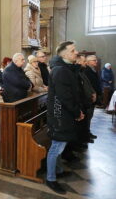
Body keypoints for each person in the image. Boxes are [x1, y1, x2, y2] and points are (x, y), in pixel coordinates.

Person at [46, 41, 84, 194]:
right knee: (56, 147)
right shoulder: (60, 70)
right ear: (65, 54)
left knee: (60, 145)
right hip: (59, 115)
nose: (76, 52)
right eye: (73, 50)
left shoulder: (65, 68)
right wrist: (76, 112)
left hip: (63, 114)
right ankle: (50, 178)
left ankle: (59, 170)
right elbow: (64, 97)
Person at [84, 55, 101, 139]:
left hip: (93, 96)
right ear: (88, 62)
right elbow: (88, 86)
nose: (96, 62)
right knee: (88, 116)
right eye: (94, 60)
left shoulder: (93, 70)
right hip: (89, 97)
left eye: (96, 60)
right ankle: (86, 134)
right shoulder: (86, 71)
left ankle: (87, 132)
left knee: (90, 116)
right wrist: (92, 94)